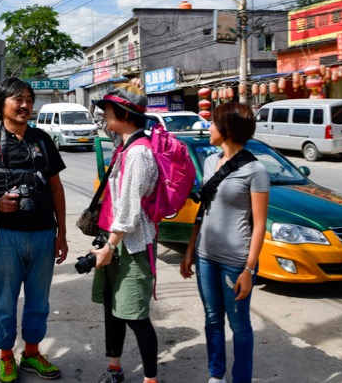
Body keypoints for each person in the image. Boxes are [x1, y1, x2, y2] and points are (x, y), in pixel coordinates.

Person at [0, 77, 68, 383]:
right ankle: (6, 357)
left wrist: (61, 233)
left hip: (43, 235)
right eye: (17, 99)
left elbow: (56, 188)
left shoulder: (42, 140)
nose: (24, 105)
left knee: (39, 301)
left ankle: (33, 354)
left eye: (28, 99)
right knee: (5, 302)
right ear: (1, 105)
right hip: (5, 237)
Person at [180, 102, 270, 383]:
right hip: (206, 256)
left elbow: (259, 225)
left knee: (239, 326)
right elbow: (203, 210)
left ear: (228, 129)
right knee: (212, 319)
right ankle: (215, 375)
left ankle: (241, 379)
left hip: (236, 261)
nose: (209, 127)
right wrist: (190, 250)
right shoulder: (209, 161)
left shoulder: (256, 171)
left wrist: (248, 269)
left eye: (213, 123)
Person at [89, 83, 161, 383]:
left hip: (131, 245)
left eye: (107, 109)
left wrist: (109, 247)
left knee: (136, 315)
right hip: (116, 241)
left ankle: (151, 379)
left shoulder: (138, 154)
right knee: (113, 310)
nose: (104, 113)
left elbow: (130, 212)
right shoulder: (126, 147)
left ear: (123, 113)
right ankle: (115, 368)